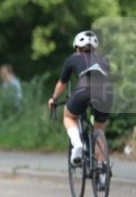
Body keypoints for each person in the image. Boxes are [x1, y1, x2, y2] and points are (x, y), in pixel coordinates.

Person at [48, 30, 113, 167]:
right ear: (94, 48)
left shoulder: (73, 58)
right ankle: (102, 170)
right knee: (99, 129)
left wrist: (54, 98)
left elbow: (62, 83)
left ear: (77, 48)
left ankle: (77, 144)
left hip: (84, 91)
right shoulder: (103, 59)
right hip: (105, 94)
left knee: (68, 115)